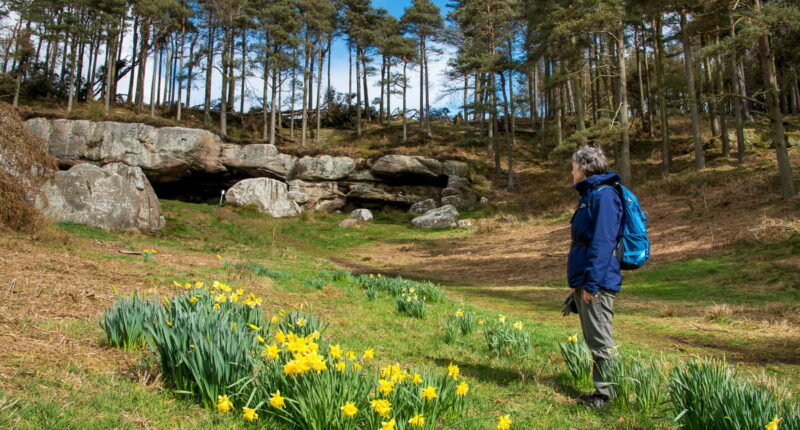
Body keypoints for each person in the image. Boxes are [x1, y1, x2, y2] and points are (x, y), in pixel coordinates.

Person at [567, 145, 623, 409]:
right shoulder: (591, 196)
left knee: (600, 338)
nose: (572, 170)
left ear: (585, 167)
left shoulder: (603, 196)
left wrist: (591, 284)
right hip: (588, 279)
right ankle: (604, 390)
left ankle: (606, 396)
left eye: (574, 166)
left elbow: (603, 242)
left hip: (598, 281)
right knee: (594, 336)